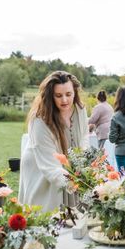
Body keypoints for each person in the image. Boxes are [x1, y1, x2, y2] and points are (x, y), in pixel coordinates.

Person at [18, 71, 89, 211]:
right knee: (47, 209)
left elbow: (84, 138)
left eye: (68, 94)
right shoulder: (39, 121)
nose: (64, 100)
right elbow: (50, 167)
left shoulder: (80, 110)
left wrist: (85, 166)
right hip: (40, 166)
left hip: (67, 169)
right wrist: (78, 183)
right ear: (50, 96)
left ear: (74, 92)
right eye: (58, 95)